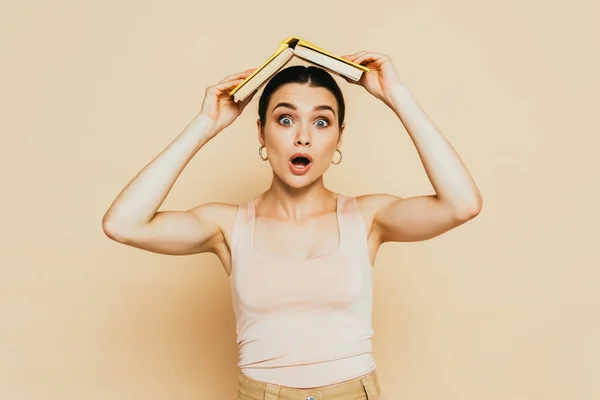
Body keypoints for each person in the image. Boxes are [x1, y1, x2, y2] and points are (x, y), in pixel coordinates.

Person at [102, 50, 482, 399]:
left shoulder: (367, 218)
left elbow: (462, 204)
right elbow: (123, 224)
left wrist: (396, 95)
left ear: (338, 138)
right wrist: (205, 124)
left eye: (321, 121)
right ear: (261, 132)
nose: (303, 136)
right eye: (285, 119)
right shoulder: (227, 225)